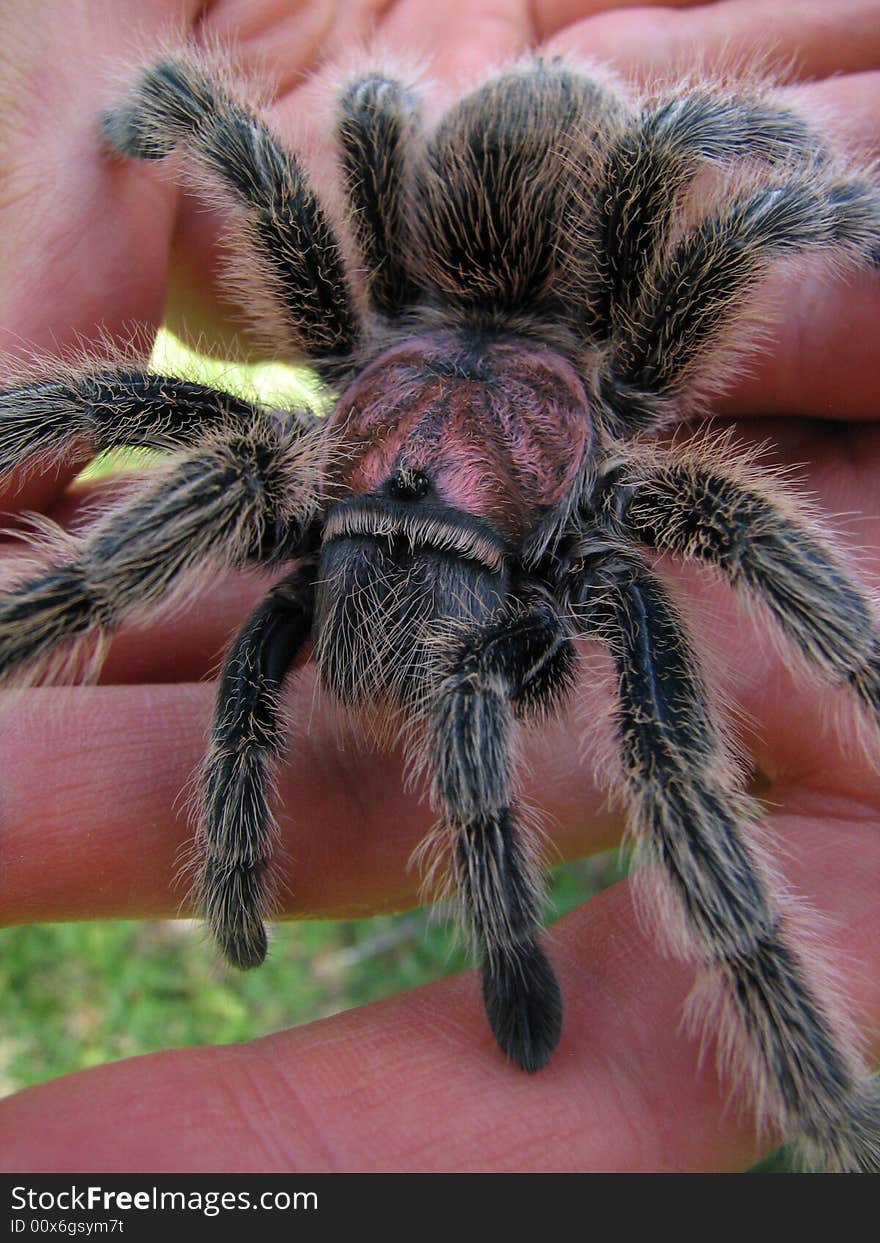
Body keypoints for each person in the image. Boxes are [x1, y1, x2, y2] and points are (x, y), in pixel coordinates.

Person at [0, 0, 878, 1172]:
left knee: (678, 767)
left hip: (548, 315)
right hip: (422, 331)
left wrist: (831, 206)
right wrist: (169, 107)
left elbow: (756, 209)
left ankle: (826, 1109)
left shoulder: (634, 445)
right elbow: (263, 146)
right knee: (111, 447)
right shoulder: (297, 447)